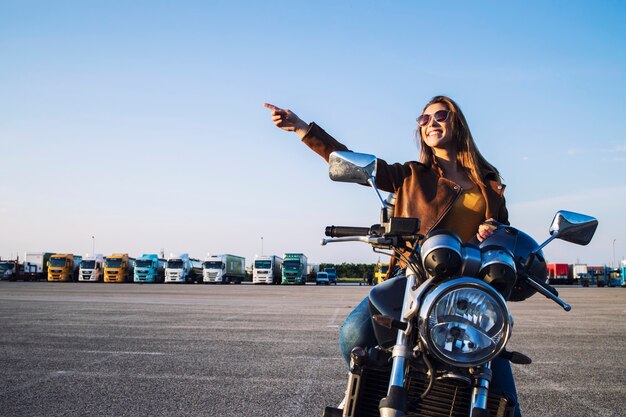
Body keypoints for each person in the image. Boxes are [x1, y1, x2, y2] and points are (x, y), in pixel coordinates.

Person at [264, 96, 520, 416]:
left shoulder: (489, 182)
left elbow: (506, 233)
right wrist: (302, 129)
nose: (431, 124)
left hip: (467, 285)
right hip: (414, 275)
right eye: (424, 120)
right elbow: (357, 164)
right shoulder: (410, 175)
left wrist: (493, 230)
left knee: (497, 371)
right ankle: (365, 389)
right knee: (353, 332)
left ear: (458, 123)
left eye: (440, 116)